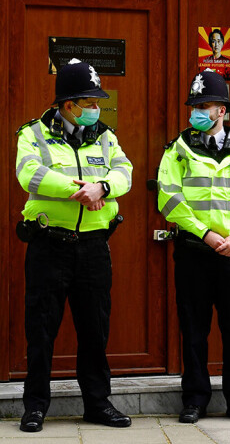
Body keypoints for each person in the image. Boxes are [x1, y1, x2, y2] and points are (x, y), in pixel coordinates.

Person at [15, 59, 133, 432]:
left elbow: (124, 171)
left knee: (95, 330)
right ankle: (35, 406)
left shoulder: (104, 135)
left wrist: (104, 187)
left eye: (97, 102)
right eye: (90, 101)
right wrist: (79, 191)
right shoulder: (33, 134)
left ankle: (97, 404)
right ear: (68, 104)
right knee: (42, 330)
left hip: (94, 247)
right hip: (50, 245)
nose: (96, 108)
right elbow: (29, 174)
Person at [157, 70, 230, 425]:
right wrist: (205, 233)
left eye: (204, 106)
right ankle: (194, 400)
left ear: (222, 109)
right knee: (193, 329)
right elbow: (168, 197)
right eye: (194, 106)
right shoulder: (179, 147)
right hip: (193, 251)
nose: (196, 113)